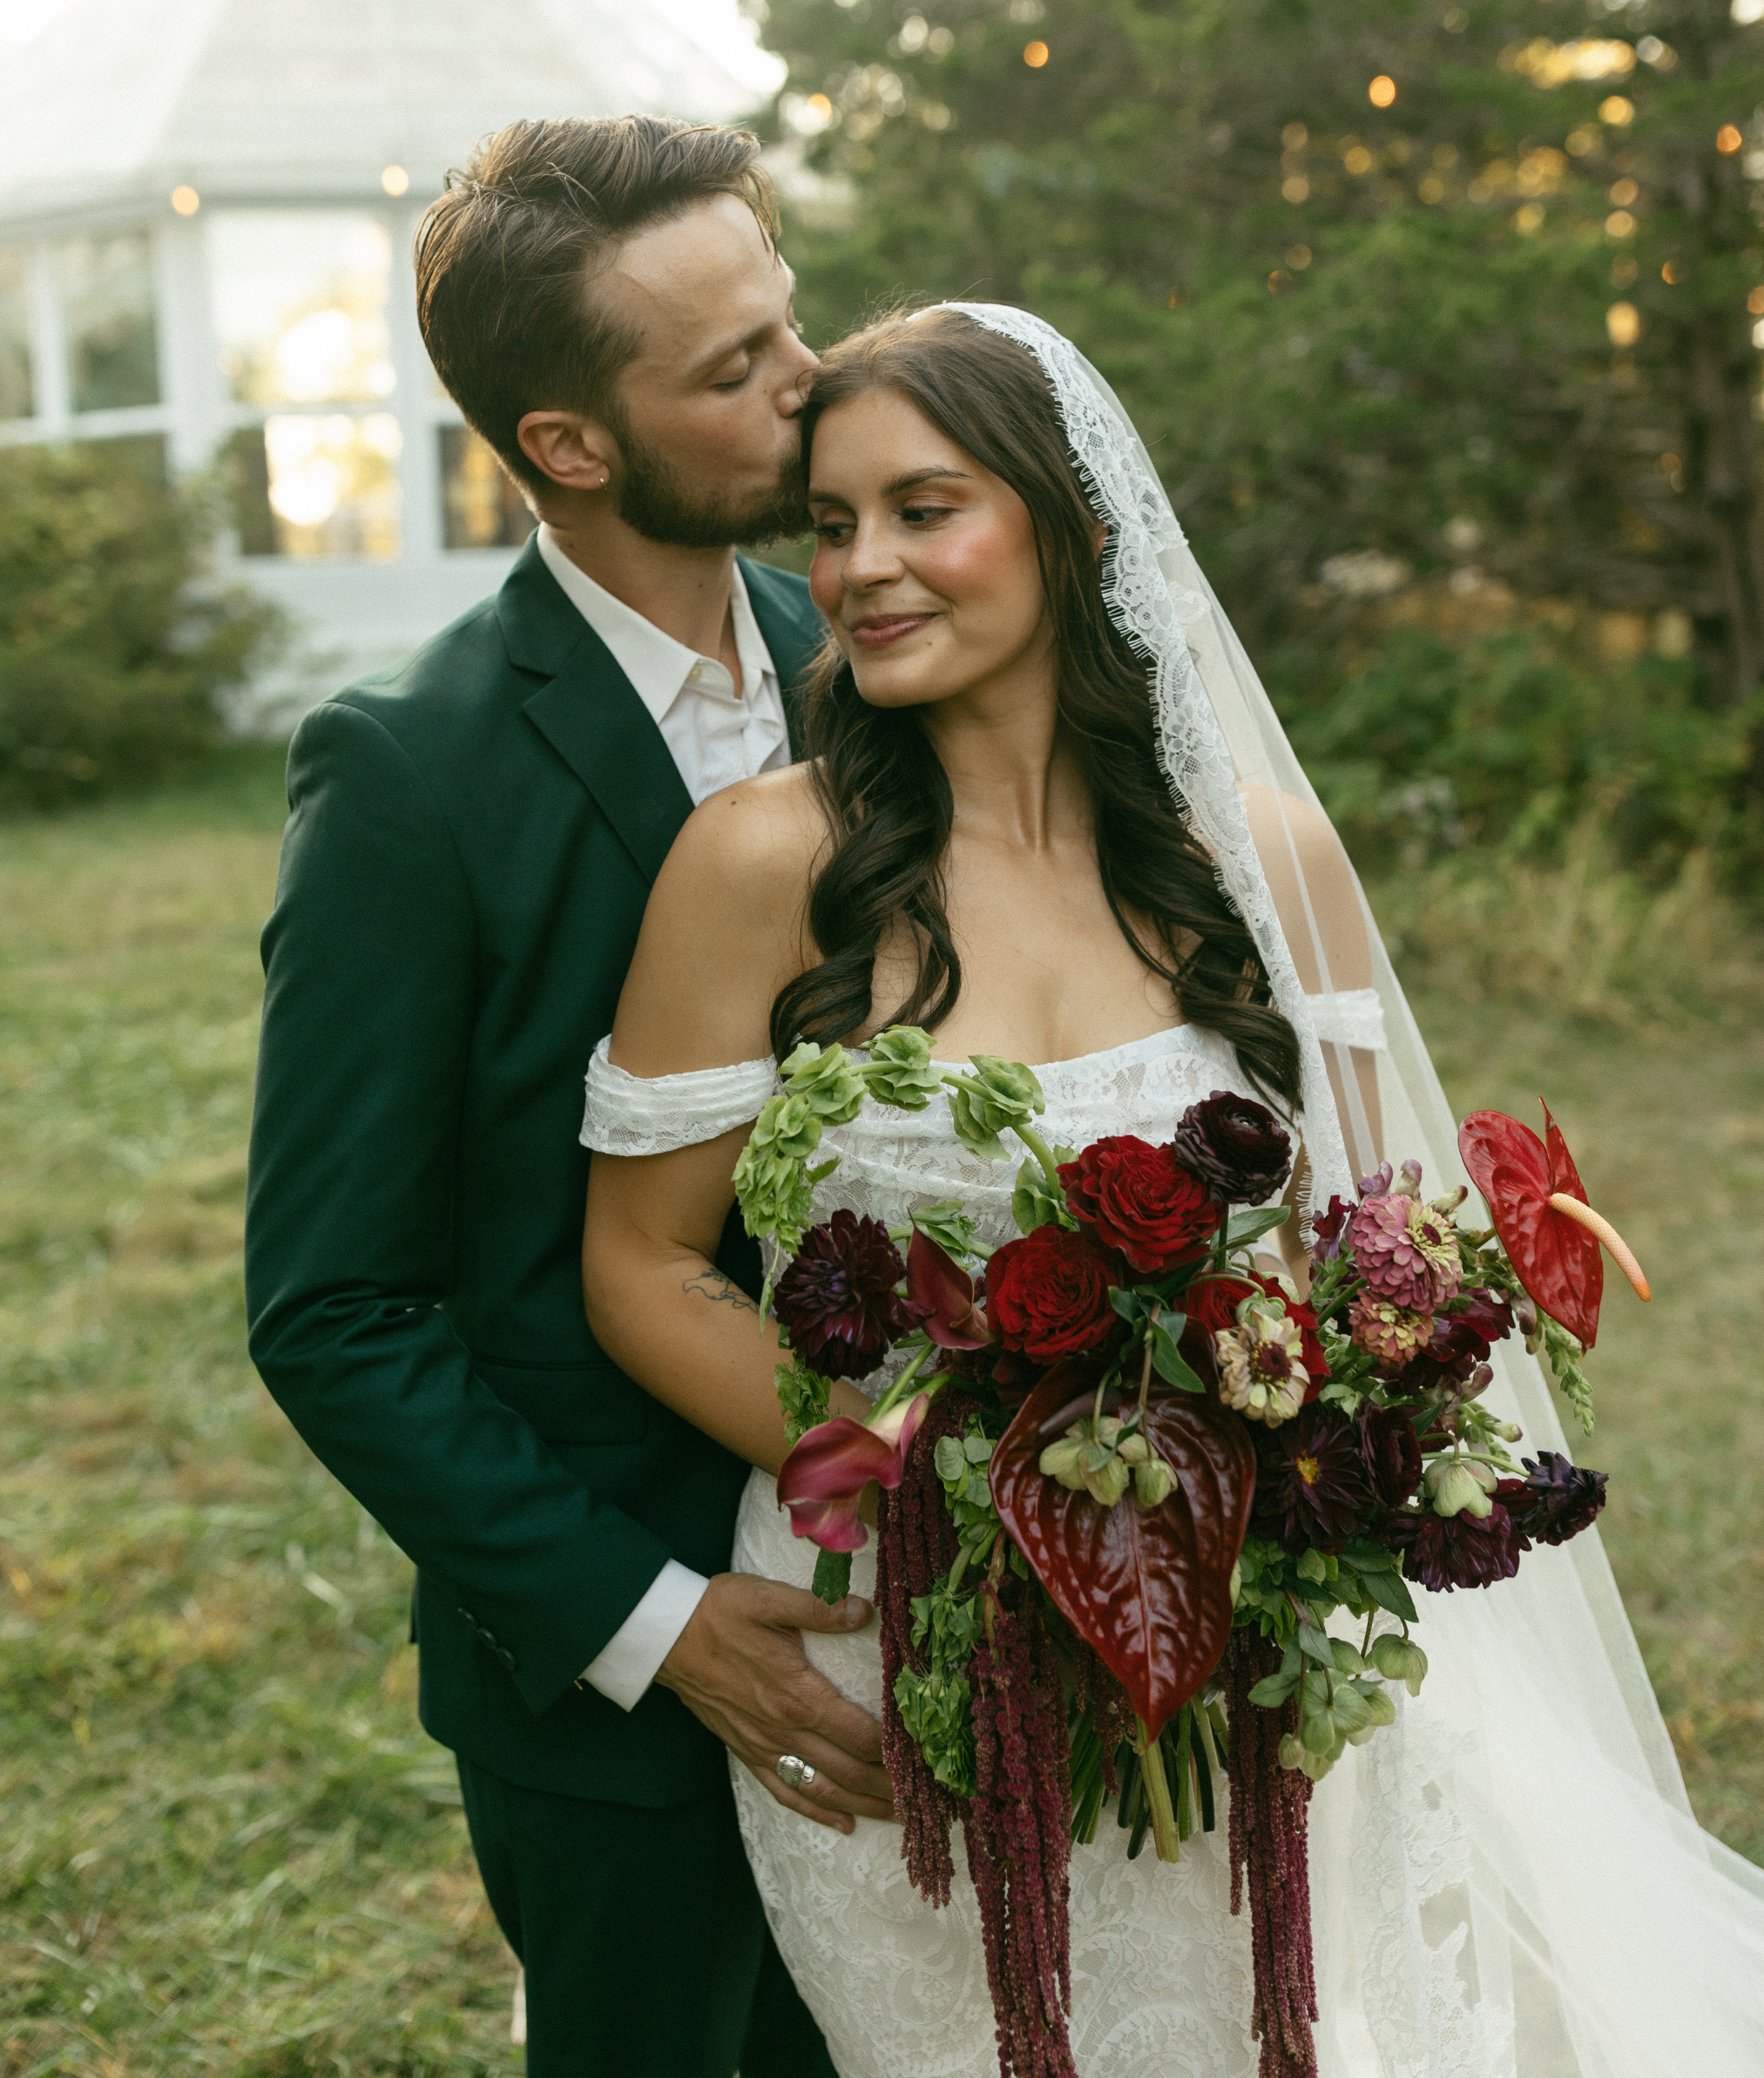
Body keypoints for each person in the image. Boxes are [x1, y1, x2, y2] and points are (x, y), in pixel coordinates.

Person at [578, 303, 1764, 2076]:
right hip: (906, 1649)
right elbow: (645, 1264)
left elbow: (1381, 1251)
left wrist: (1305, 1460)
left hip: (1258, 1636)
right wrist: (935, 1482)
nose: (862, 566)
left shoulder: (1264, 857)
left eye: (924, 507)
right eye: (829, 525)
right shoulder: (765, 861)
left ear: (1064, 526)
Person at [244, 114, 888, 2078]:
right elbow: (332, 1308)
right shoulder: (407, 774)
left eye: (792, 325)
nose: (816, 386)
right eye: (738, 371)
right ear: (569, 444)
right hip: (617, 1701)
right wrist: (657, 1620)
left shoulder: (859, 657)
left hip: (914, 1618)